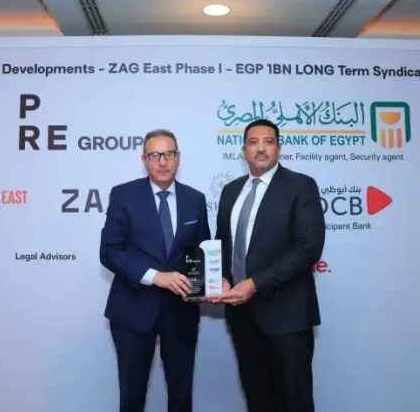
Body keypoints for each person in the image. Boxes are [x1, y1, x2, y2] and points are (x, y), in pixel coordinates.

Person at [215, 119, 325, 412]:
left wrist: (255, 284)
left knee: (295, 401)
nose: (261, 148)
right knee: (257, 399)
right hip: (242, 316)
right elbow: (223, 244)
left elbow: (309, 247)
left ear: (279, 148)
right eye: (253, 142)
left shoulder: (300, 186)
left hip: (287, 316)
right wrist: (220, 278)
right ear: (243, 151)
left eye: (268, 142)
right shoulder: (230, 191)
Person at [100, 129, 210, 412]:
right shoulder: (123, 195)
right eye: (155, 155)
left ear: (178, 157)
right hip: (133, 310)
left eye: (169, 154)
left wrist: (205, 284)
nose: (162, 161)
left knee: (181, 398)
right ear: (144, 159)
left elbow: (201, 251)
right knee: (132, 397)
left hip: (181, 312)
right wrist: (156, 277)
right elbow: (110, 251)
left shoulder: (195, 199)